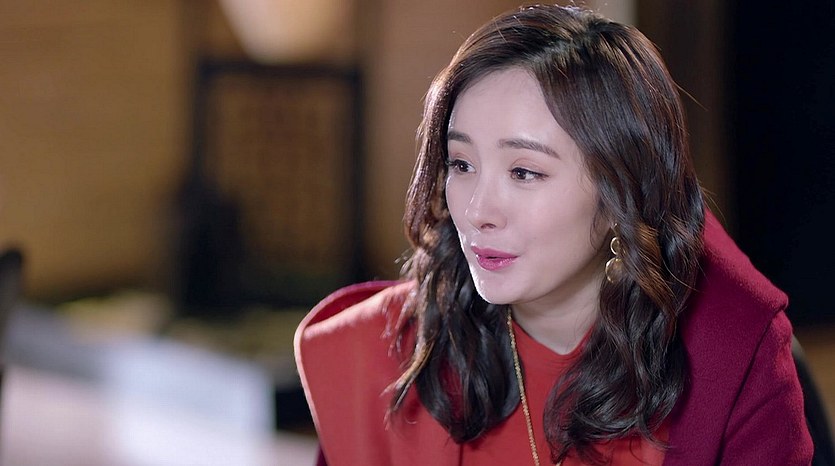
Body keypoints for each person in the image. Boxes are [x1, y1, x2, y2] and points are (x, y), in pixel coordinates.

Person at [295, 4, 813, 465]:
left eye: (524, 172)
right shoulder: (374, 358)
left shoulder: (733, 357)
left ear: (621, 191)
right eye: (461, 163)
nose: (476, 211)